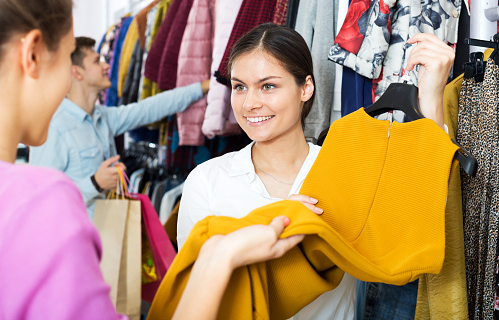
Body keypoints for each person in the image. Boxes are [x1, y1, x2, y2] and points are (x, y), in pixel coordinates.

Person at [0, 0, 306, 318]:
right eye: (67, 56)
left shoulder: (100, 119)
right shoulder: (40, 200)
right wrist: (219, 257)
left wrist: (201, 86)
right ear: (33, 55)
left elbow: (146, 108)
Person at [177, 23, 455, 319]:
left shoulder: (347, 168)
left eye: (268, 86)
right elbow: (194, 292)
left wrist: (431, 97)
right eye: (239, 87)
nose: (249, 103)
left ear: (305, 88)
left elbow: (414, 230)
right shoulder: (207, 180)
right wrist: (266, 222)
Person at [29, 36, 210, 218]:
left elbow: (151, 108)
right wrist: (95, 183)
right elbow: (41, 199)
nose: (107, 66)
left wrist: (202, 87)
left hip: (109, 235)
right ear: (77, 72)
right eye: (96, 61)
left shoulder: (104, 117)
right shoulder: (53, 127)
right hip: (75, 240)